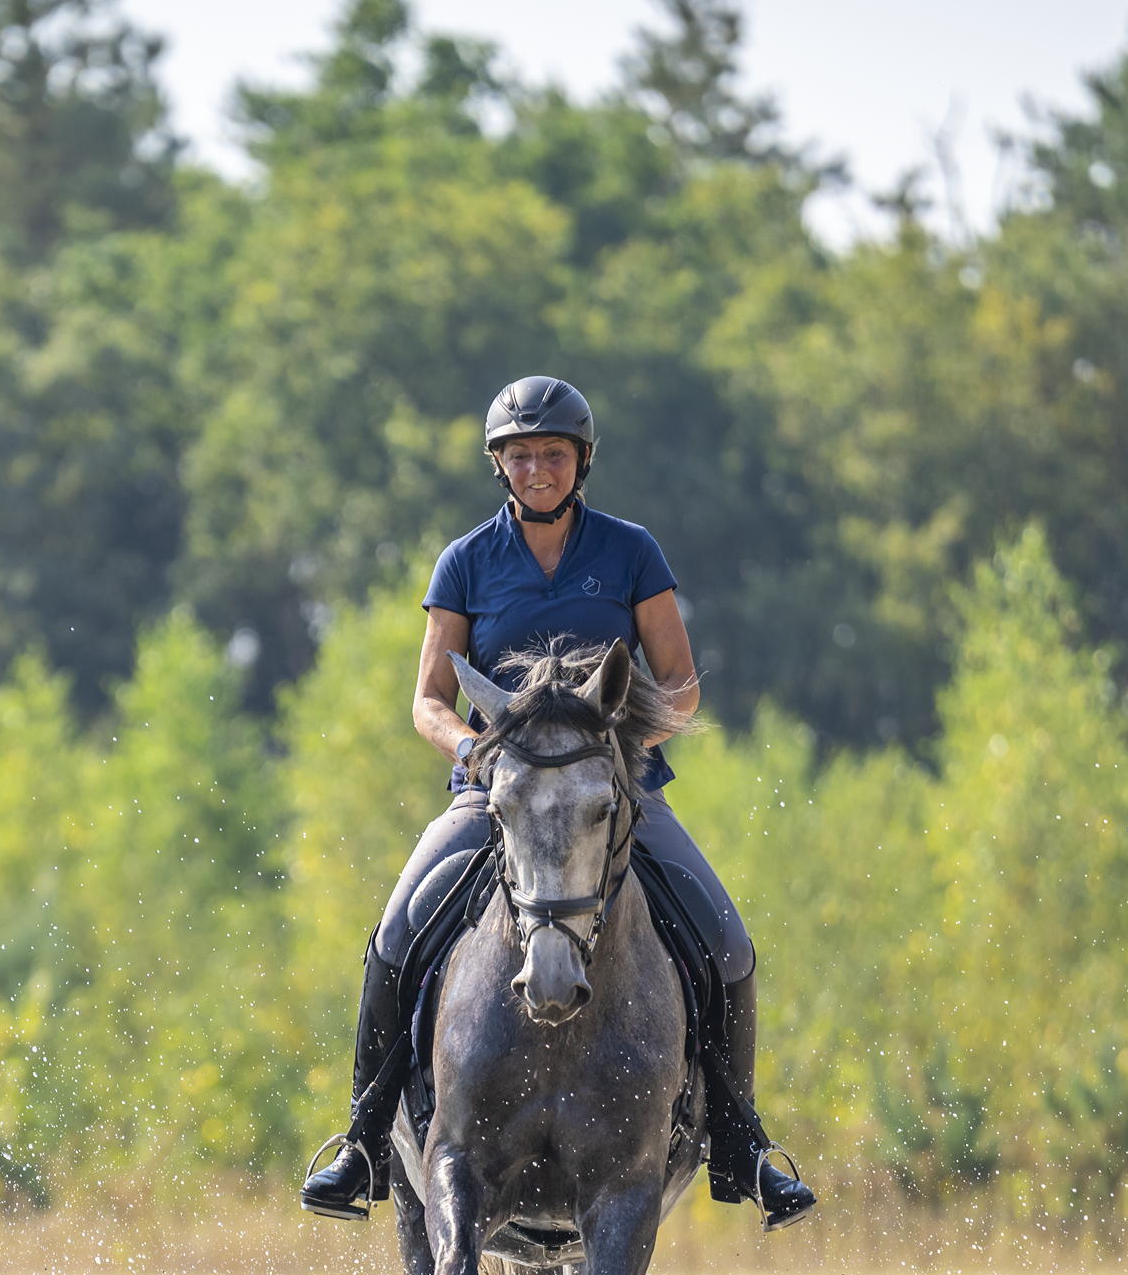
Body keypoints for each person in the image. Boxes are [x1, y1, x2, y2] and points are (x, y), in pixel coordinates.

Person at [298, 376, 816, 1230]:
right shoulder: (464, 562)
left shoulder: (630, 552)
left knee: (726, 942)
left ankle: (742, 1143)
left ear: (580, 462)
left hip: (613, 798)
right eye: (520, 456)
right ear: (499, 467)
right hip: (493, 798)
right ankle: (359, 1141)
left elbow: (680, 684)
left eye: (552, 454)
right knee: (395, 934)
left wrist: (617, 752)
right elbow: (428, 699)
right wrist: (470, 750)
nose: (536, 469)